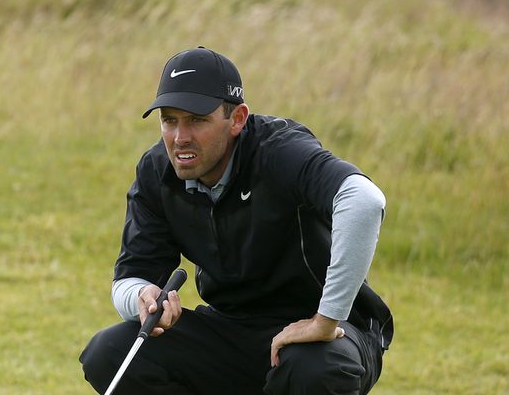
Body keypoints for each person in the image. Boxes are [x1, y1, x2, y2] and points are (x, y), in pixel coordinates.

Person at [79, 47, 393, 394]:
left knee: (315, 368)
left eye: (196, 120)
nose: (180, 137)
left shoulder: (278, 150)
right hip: (230, 329)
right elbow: (130, 277)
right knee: (108, 353)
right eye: (169, 120)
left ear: (238, 119)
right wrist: (143, 296)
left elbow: (363, 200)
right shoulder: (158, 171)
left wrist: (326, 318)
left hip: (329, 335)